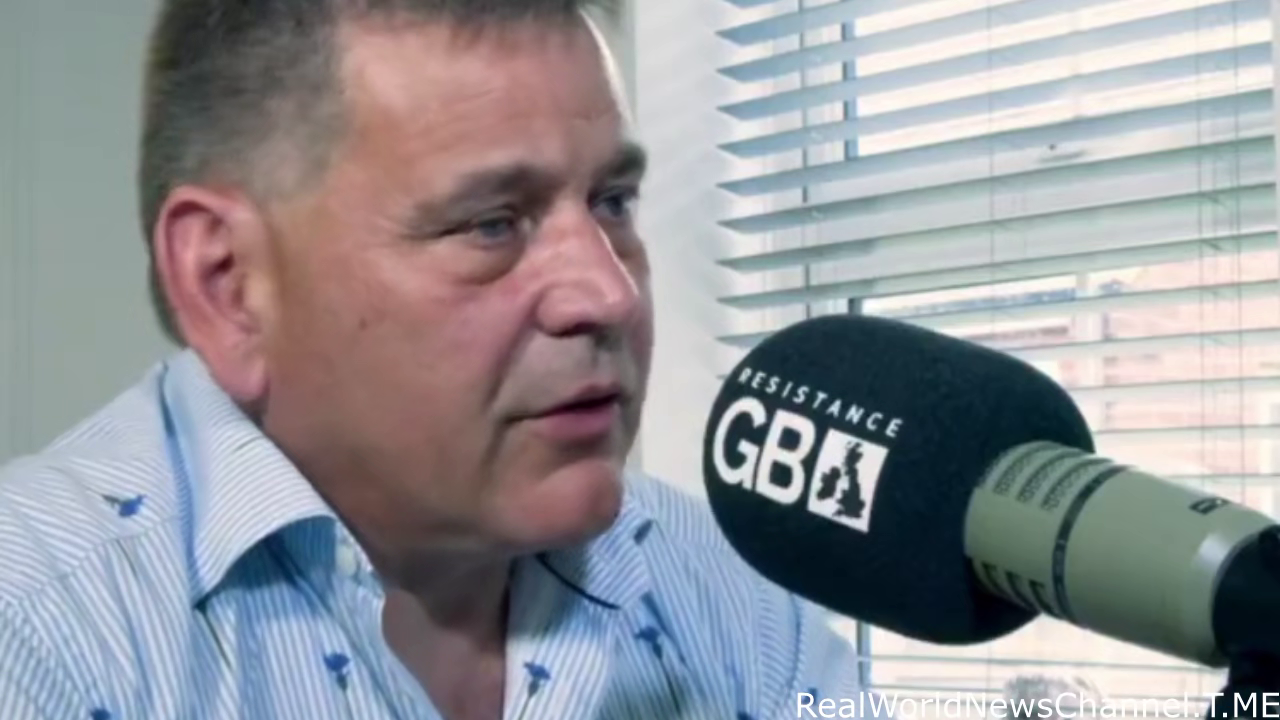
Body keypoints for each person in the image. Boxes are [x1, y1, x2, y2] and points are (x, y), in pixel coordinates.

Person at [0, 1, 879, 718]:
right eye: (492, 224)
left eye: (613, 202)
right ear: (230, 284)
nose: (609, 296)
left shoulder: (726, 591)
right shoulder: (35, 629)